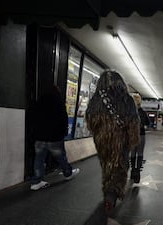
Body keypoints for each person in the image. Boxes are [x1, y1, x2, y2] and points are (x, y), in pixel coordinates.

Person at [86, 70, 140, 213]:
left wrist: (101, 132)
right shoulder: (127, 99)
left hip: (102, 140)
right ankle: (112, 193)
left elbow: (90, 120)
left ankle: (108, 191)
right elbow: (134, 122)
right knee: (120, 166)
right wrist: (131, 140)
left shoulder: (97, 98)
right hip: (121, 140)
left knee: (106, 165)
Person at [29, 84, 80, 191]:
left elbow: (32, 119)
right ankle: (68, 173)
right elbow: (63, 120)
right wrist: (63, 133)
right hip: (54, 138)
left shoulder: (37, 103)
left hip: (40, 138)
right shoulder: (58, 103)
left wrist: (34, 133)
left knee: (39, 159)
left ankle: (36, 182)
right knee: (61, 158)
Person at [130, 93, 150, 183]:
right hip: (141, 134)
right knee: (140, 153)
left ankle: (133, 171)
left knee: (133, 153)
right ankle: (137, 173)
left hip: (132, 135)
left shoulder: (130, 112)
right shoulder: (143, 112)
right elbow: (148, 123)